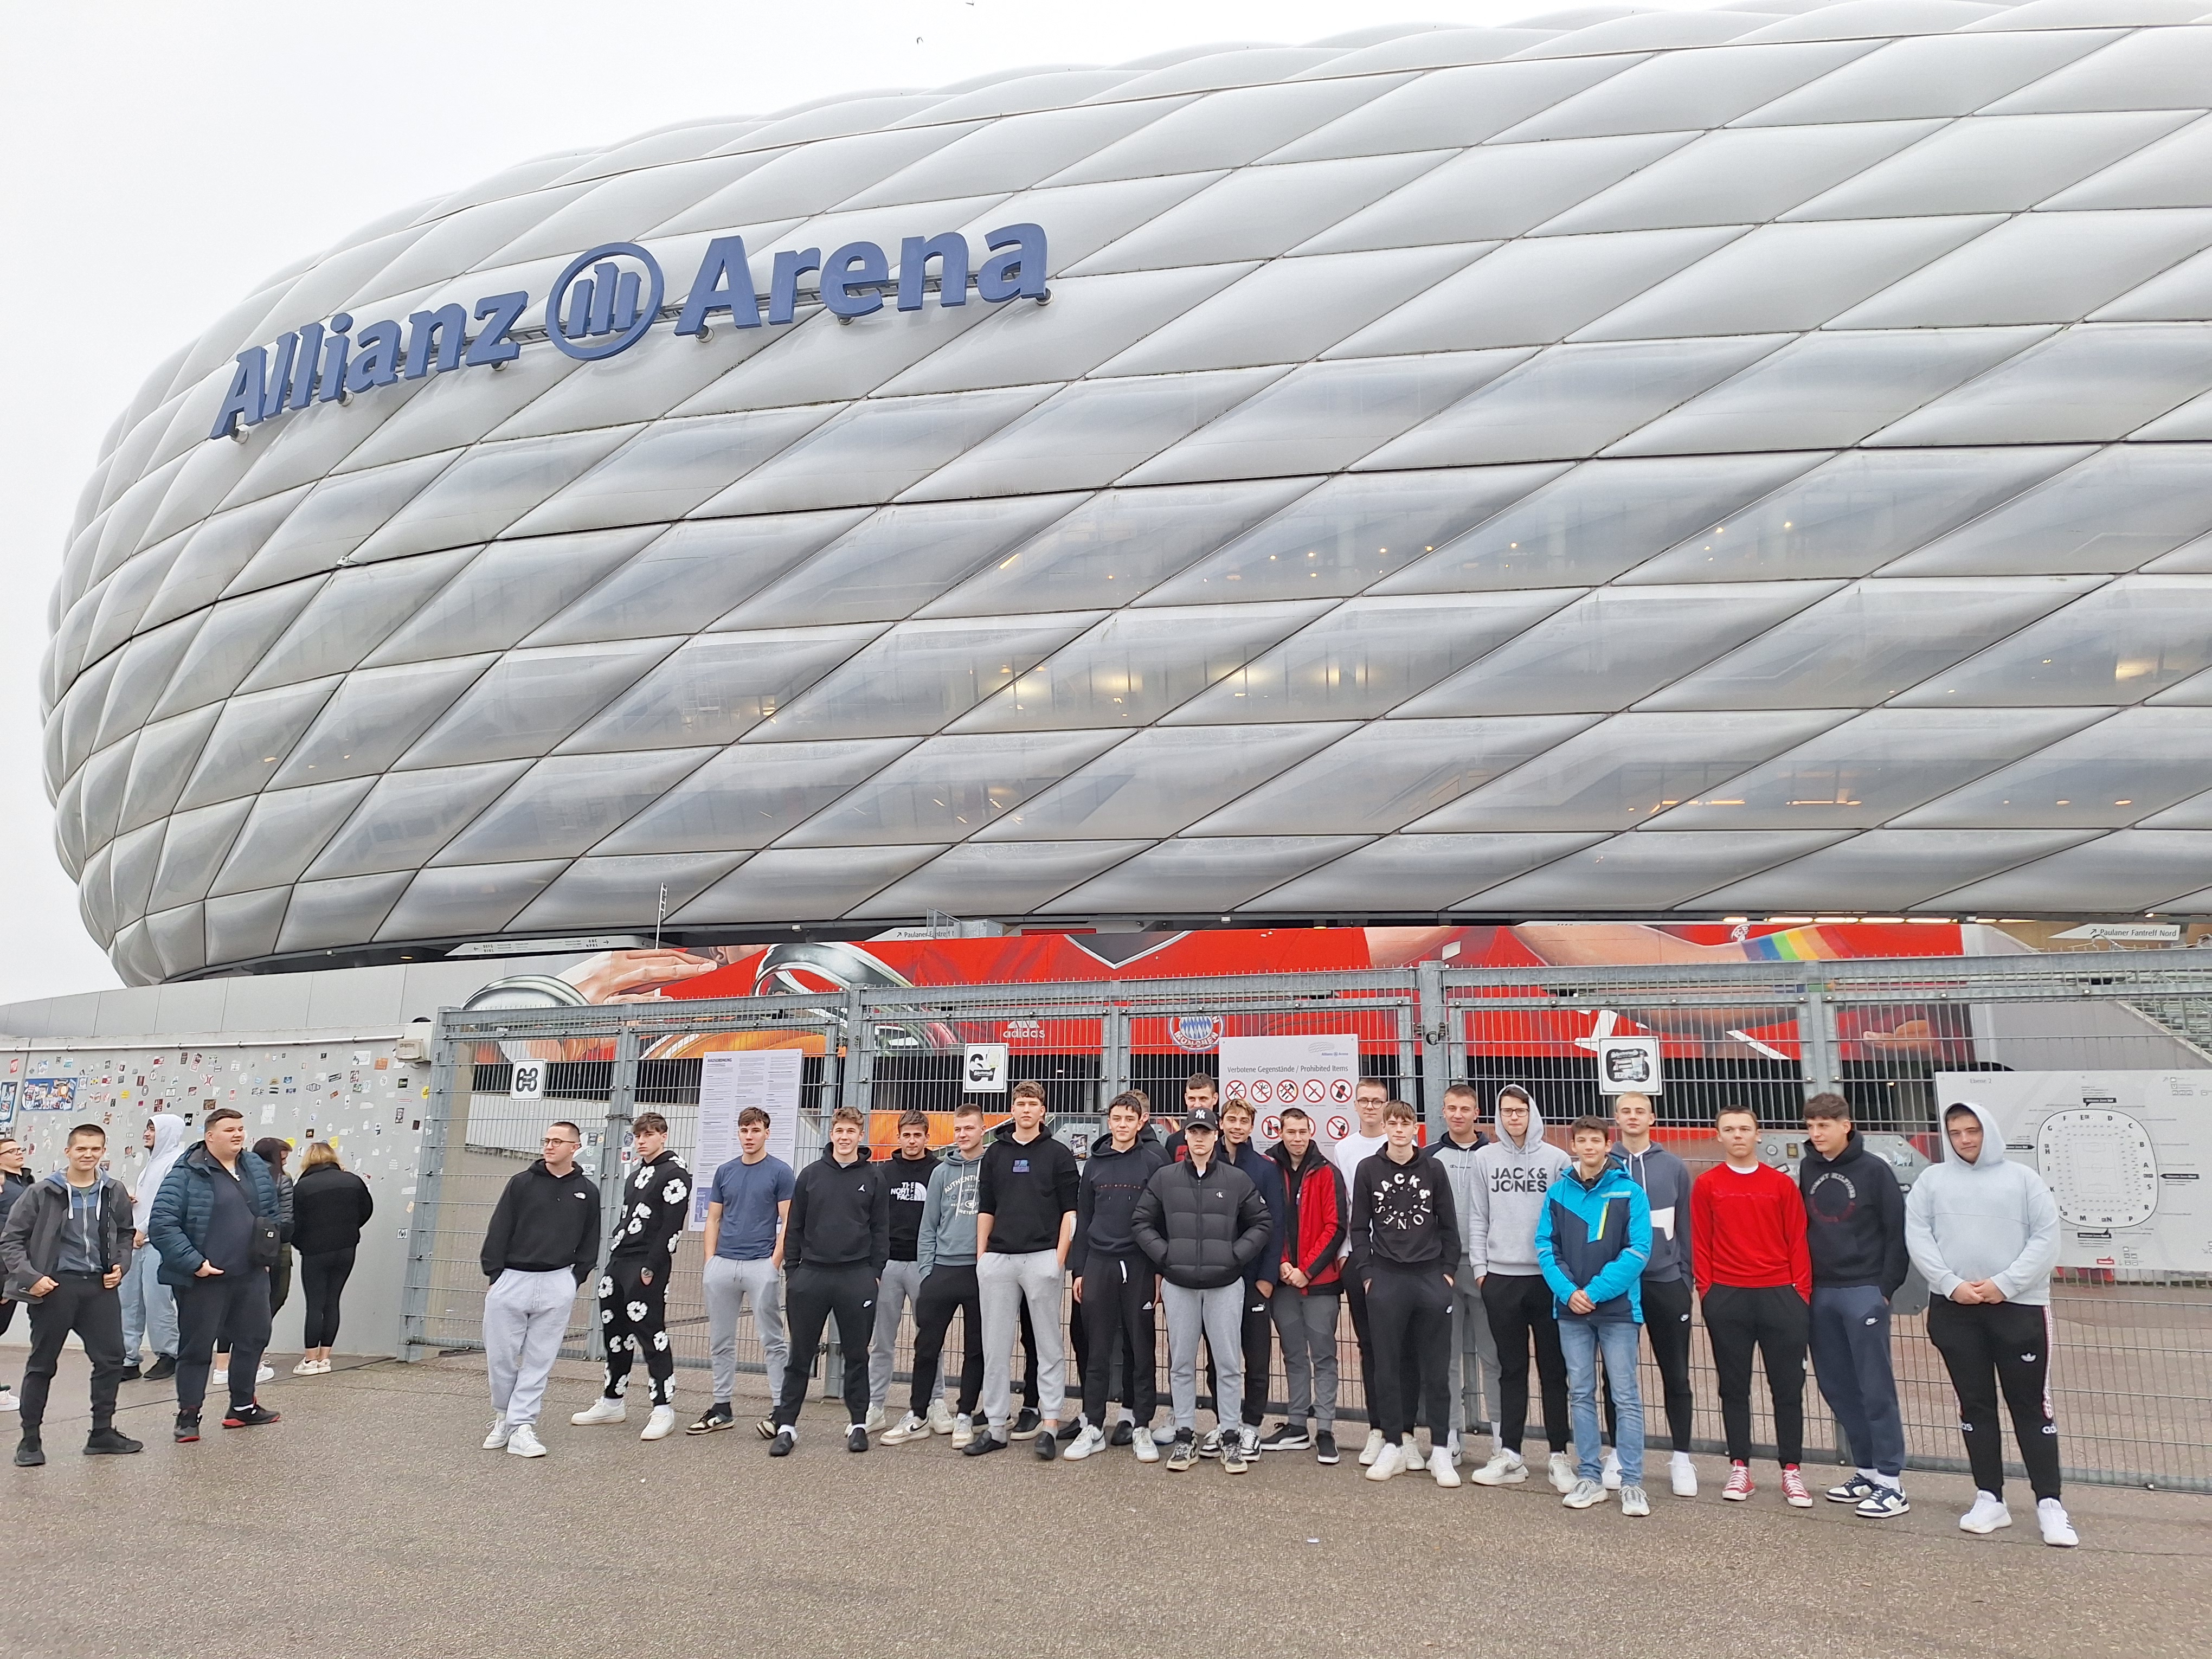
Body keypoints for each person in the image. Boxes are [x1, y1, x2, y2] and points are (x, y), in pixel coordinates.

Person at [1907, 1102, 2075, 1546]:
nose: (1965, 1139)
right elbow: (1918, 1235)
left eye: (1973, 1130)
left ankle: (2050, 1505)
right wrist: (1949, 1283)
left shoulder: (2024, 1181)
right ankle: (1990, 1498)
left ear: (1989, 1130)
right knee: (1974, 1405)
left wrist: (2006, 1283)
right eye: (1956, 1132)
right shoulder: (1932, 1181)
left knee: (2030, 1407)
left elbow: (2046, 1239)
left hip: (2018, 1310)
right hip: (1954, 1309)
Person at [1131, 1106, 1269, 1473]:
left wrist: (1234, 1255)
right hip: (1179, 1286)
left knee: (1226, 1364)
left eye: (1206, 1132)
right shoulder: (1165, 1177)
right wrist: (1167, 1256)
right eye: (1194, 1132)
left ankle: (1229, 1436)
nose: (1200, 1138)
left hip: (1225, 1285)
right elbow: (1141, 1222)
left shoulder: (1237, 1179)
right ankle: (1185, 1436)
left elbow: (1262, 1222)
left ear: (1216, 1135)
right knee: (1181, 1364)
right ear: (1186, 1136)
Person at [1691, 1107, 1814, 1507]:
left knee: (1787, 1388)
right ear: (1719, 1136)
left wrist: (1800, 1294)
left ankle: (1791, 1471)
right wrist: (1708, 1292)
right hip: (1728, 1296)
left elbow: (1797, 1238)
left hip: (1781, 1294)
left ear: (1758, 1135)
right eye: (1730, 1129)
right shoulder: (1708, 1185)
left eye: (1745, 1129)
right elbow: (1701, 1242)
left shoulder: (1781, 1185)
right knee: (1733, 1386)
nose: (1738, 1135)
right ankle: (1740, 1467)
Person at [0, 1123, 139, 1465]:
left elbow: (125, 1232)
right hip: (55, 1288)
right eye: (81, 1149)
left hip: (99, 1287)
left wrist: (121, 1264)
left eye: (95, 1150)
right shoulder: (43, 1192)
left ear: (103, 1152)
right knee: (42, 1364)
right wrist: (31, 1277)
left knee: (111, 1359)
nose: (88, 1155)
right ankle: (30, 1440)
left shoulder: (113, 1190)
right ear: (68, 1152)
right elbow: (11, 1240)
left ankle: (101, 1433)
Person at [1799, 1092, 1911, 1519]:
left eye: (1824, 1126)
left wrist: (1884, 1289)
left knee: (1874, 1386)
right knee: (1837, 1385)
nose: (1816, 1134)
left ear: (1846, 1125)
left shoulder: (1874, 1171)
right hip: (1821, 1292)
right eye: (1810, 1126)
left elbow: (1896, 1232)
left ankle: (1892, 1481)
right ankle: (1866, 1472)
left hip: (1864, 1289)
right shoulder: (1808, 1168)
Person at [1536, 1115, 1653, 1517]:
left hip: (1618, 1311)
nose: (1588, 1147)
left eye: (1595, 1140)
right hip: (1572, 1313)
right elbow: (1546, 1248)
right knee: (1581, 1393)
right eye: (1581, 1140)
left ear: (1608, 1145)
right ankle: (1589, 1476)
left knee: (1625, 1396)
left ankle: (1632, 1483)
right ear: (1575, 1146)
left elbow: (1638, 1252)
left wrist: (1595, 1291)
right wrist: (1570, 1293)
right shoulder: (1557, 1194)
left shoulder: (1630, 1193)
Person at [149, 1106, 284, 1444]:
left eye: (240, 1128)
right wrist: (195, 1263)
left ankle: (242, 1407)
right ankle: (188, 1416)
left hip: (250, 1274)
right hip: (203, 1279)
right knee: (196, 1348)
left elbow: (269, 1213)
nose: (238, 1134)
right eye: (229, 1130)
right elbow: (162, 1225)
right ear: (210, 1136)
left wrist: (267, 1254)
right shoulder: (185, 1173)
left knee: (253, 1339)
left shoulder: (254, 1166)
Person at [1467, 1084, 1575, 1493]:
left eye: (1521, 1110)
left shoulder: (1557, 1160)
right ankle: (1510, 1454)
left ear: (1532, 1114)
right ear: (1498, 1115)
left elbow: (1568, 1220)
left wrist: (1563, 1274)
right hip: (1501, 1279)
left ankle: (1558, 1456)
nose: (1514, 1117)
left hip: (1547, 1281)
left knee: (1554, 1371)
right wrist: (1482, 1271)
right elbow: (1478, 1217)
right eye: (1507, 1111)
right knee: (1511, 1369)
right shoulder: (1485, 1159)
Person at [1348, 1099, 1461, 1486]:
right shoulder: (1368, 1169)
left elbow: (1449, 1225)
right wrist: (1367, 1274)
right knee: (1387, 1365)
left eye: (1405, 1123)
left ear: (1416, 1128)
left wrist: (1447, 1273)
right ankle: (1393, 1444)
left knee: (1436, 1368)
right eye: (1392, 1123)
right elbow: (1359, 1228)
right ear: (1384, 1127)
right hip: (1386, 1278)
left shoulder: (1434, 1168)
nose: (1398, 1129)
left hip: (1430, 1278)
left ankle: (1442, 1450)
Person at [476, 1120, 601, 1459]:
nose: (549, 1146)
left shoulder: (587, 1191)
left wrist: (575, 1279)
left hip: (557, 1281)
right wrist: (496, 1275)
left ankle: (522, 1426)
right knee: (500, 1355)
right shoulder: (521, 1184)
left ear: (575, 1147)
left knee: (539, 1359)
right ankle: (503, 1416)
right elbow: (499, 1228)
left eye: (558, 1141)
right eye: (547, 1140)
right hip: (512, 1279)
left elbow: (591, 1239)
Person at [969, 1079, 1078, 1459]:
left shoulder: (1059, 1154)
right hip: (999, 1259)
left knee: (1048, 1345)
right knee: (995, 1346)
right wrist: (982, 1257)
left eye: (1033, 1103)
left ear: (1043, 1111)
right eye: (1020, 1103)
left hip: (1042, 1258)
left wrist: (1058, 1259)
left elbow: (1070, 1212)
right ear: (1012, 1109)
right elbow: (986, 1207)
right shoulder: (995, 1154)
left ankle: (1050, 1422)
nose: (1026, 1109)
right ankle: (997, 1426)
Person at [769, 1105, 887, 1457]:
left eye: (851, 1131)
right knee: (800, 1355)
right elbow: (795, 1227)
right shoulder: (810, 1175)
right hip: (812, 1277)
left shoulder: (874, 1177)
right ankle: (787, 1426)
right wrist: (795, 1272)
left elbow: (881, 1231)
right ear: (831, 1134)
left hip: (856, 1277)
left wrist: (874, 1274)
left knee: (856, 1355)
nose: (845, 1137)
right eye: (839, 1130)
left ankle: (858, 1424)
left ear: (859, 1135)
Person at [573, 1113, 691, 1441]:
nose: (642, 1141)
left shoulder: (674, 1173)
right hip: (621, 1259)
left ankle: (663, 1406)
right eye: (638, 1135)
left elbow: (671, 1227)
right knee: (615, 1330)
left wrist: (652, 1267)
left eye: (650, 1135)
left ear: (663, 1136)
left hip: (647, 1262)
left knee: (650, 1331)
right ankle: (613, 1399)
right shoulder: (637, 1174)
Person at [1064, 1092, 1165, 1461]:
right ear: (1109, 1121)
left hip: (1139, 1265)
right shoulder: (1094, 1164)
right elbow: (1085, 1217)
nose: (1122, 1125)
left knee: (1141, 1347)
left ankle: (1141, 1426)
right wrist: (1080, 1269)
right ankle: (1093, 1425)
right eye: (1116, 1118)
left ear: (1141, 1123)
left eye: (1129, 1119)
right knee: (1097, 1349)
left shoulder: (1155, 1161)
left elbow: (1162, 1220)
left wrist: (1157, 1271)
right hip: (1099, 1265)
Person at [1606, 1091, 1698, 1497]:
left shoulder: (1673, 1167)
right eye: (1625, 1111)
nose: (1632, 1117)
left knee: (1675, 1373)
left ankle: (1681, 1457)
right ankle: (1619, 1454)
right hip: (1619, 1288)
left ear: (1652, 1117)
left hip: (1665, 1283)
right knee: (1616, 1377)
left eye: (1639, 1111)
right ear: (1616, 1118)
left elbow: (1688, 1226)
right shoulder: (1603, 1164)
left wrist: (1685, 1277)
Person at [886, 1102, 987, 1447]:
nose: (963, 1135)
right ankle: (918, 1413)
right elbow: (928, 1227)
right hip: (942, 1269)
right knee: (927, 1346)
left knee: (975, 1348)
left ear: (982, 1130)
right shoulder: (942, 1172)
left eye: (969, 1129)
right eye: (958, 1130)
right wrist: (927, 1271)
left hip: (977, 1272)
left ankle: (964, 1415)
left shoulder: (992, 1168)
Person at [693, 1105, 793, 1437]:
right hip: (723, 1264)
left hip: (759, 1265)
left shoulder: (780, 1172)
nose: (749, 1137)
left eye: (755, 1130)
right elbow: (714, 1219)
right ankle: (722, 1407)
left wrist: (773, 1264)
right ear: (738, 1133)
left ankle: (781, 1409)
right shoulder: (725, 1171)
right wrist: (710, 1261)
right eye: (744, 1130)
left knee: (772, 1341)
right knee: (720, 1341)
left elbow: (787, 1221)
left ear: (767, 1133)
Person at [1265, 1105, 1347, 1463]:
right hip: (1283, 1280)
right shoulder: (1269, 1168)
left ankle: (1325, 1429)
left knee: (1325, 1356)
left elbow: (1336, 1226)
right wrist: (1283, 1263)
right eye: (1290, 1132)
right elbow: (1267, 1218)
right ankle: (1297, 1425)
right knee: (1294, 1355)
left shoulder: (1328, 1172)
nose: (1297, 1139)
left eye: (1303, 1132)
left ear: (1311, 1131)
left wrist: (1307, 1269)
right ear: (1280, 1132)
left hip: (1321, 1282)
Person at [1426, 1081, 1499, 1467]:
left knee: (1494, 1357)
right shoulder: (1429, 1157)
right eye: (1451, 1108)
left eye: (1465, 1108)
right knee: (1447, 1358)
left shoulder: (1495, 1154)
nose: (1458, 1115)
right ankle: (1450, 1436)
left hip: (1489, 1269)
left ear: (1477, 1113)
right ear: (1444, 1111)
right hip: (1443, 1270)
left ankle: (1503, 1442)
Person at [1329, 1077, 1392, 1466]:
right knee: (1368, 1346)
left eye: (1377, 1101)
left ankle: (1401, 1431)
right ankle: (1376, 1429)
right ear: (1355, 1105)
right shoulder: (1345, 1148)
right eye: (1364, 1101)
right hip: (1358, 1256)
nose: (1370, 1107)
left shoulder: (1404, 1145)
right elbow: (1344, 1203)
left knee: (1398, 1347)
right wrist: (1342, 1254)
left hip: (1398, 1261)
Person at [1216, 1098, 1282, 1461]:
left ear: (1252, 1127)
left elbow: (1276, 1226)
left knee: (1257, 1356)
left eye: (1244, 1121)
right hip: (1217, 1279)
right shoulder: (1207, 1165)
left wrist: (1268, 1279)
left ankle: (1252, 1426)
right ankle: (1223, 1423)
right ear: (1221, 1123)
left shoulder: (1266, 1169)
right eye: (1232, 1120)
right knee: (1218, 1356)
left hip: (1255, 1279)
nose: (1238, 1126)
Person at [866, 1110, 938, 1435]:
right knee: (883, 1341)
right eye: (906, 1135)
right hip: (890, 1265)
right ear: (898, 1137)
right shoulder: (882, 1174)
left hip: (924, 1265)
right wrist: (875, 1265)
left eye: (918, 1136)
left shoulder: (938, 1171)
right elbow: (873, 1221)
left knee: (929, 1340)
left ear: (927, 1137)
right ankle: (875, 1406)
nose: (912, 1141)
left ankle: (935, 1404)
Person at [213, 1136, 293, 1391]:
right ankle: (253, 1362)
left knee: (231, 1306)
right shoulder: (282, 1179)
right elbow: (286, 1218)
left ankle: (222, 1366)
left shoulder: (240, 1175)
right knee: (269, 1302)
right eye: (284, 1154)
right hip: (273, 1247)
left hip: (235, 1248)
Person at [290, 1139, 375, 1374]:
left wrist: (302, 1244)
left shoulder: (303, 1187)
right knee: (333, 1300)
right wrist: (350, 1229)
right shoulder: (353, 1182)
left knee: (315, 1304)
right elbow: (366, 1210)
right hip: (346, 1248)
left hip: (316, 1251)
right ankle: (325, 1357)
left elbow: (293, 1222)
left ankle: (310, 1360)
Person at [119, 1114, 184, 1383]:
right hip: (137, 1241)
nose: (146, 1134)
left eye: (152, 1130)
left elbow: (166, 1203)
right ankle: (128, 1359)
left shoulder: (175, 1163)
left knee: (157, 1300)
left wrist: (144, 1228)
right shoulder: (152, 1164)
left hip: (158, 1242)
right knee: (129, 1301)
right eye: (146, 1128)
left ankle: (169, 1354)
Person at [0, 1136, 28, 1413]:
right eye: (11, 1151)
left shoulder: (27, 1183)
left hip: (16, 1267)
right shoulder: (4, 1186)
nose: (18, 1153)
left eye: (19, 1149)